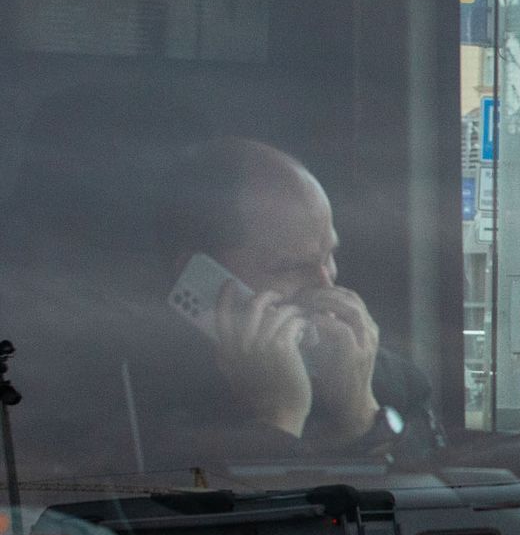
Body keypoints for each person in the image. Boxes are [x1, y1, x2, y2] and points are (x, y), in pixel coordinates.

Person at [150, 138, 436, 467]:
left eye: (329, 255)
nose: (324, 282)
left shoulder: (383, 374)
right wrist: (278, 418)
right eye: (289, 267)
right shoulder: (137, 395)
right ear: (199, 273)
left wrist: (359, 416)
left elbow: (436, 494)